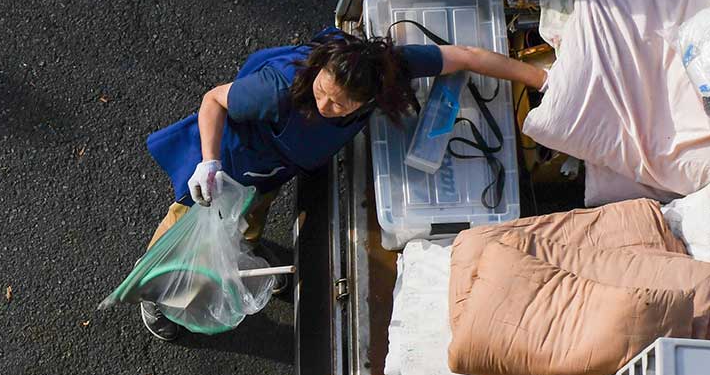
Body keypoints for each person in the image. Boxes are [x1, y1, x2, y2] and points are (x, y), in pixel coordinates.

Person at [138, 28, 549, 334]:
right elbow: (214, 99)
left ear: (371, 97)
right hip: (229, 164)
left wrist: (541, 80)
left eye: (338, 103)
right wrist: (208, 162)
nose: (324, 105)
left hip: (270, 173)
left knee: (247, 220)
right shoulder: (272, 91)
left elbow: (467, 56)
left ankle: (242, 253)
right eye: (321, 91)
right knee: (183, 241)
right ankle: (158, 297)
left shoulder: (383, 69)